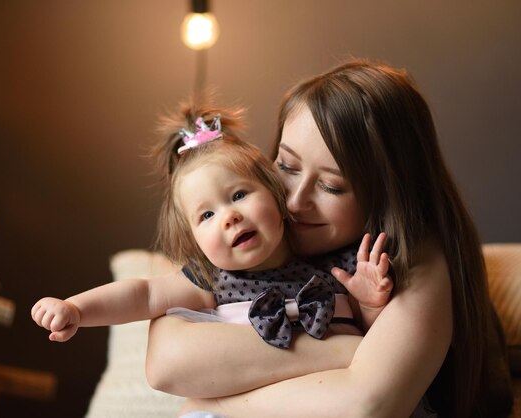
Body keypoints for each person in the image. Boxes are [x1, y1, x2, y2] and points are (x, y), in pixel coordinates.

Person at [145, 60, 513, 418]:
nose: (294, 200)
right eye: (286, 165)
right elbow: (165, 365)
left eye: (331, 186)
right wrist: (350, 352)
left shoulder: (415, 256)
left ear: (388, 196)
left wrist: (216, 404)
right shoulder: (246, 234)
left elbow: (366, 406)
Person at [30, 103, 392, 350]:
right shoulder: (213, 281)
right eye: (206, 216)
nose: (229, 217)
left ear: (277, 193)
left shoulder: (333, 262)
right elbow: (143, 294)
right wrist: (76, 309)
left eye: (238, 195)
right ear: (194, 241)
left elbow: (377, 350)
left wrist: (371, 304)